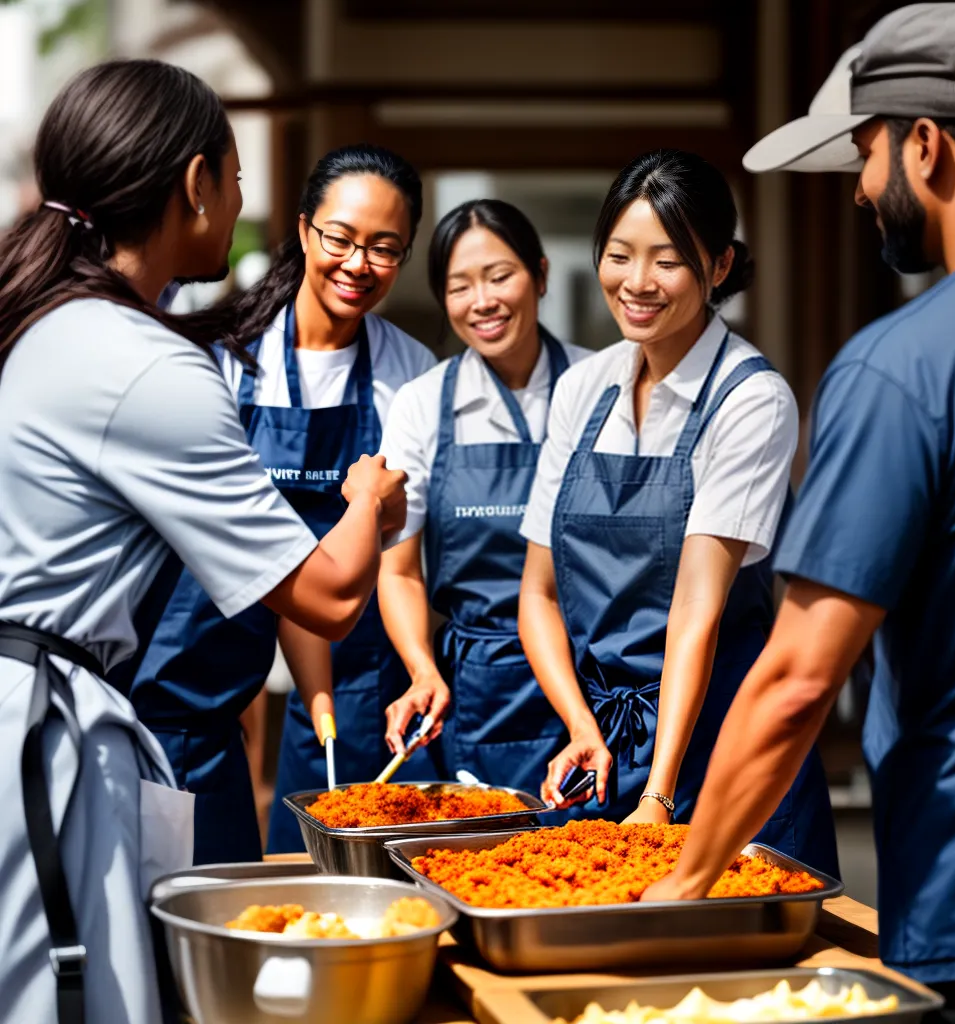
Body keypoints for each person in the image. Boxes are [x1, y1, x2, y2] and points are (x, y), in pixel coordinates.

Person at [0, 60, 407, 1024]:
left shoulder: (45, 321)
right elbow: (329, 593)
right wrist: (368, 496)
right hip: (52, 729)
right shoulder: (145, 362)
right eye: (232, 178)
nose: (237, 202)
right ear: (194, 184)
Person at [641, 4, 955, 1017]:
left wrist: (681, 885)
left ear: (926, 146)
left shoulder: (906, 367)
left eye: (864, 153)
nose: (859, 187)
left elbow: (799, 678)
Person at [517, 150, 838, 874]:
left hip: (724, 740)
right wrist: (579, 724)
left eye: (667, 261)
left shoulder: (751, 399)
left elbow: (695, 612)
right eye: (619, 255)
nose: (636, 283)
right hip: (601, 746)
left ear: (719, 266)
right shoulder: (583, 389)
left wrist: (658, 796)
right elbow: (536, 593)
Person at [130, 144, 443, 861]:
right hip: (184, 670)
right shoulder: (217, 355)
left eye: (385, 248)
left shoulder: (409, 375)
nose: (358, 264)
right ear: (304, 231)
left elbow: (394, 557)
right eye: (340, 239)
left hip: (350, 654)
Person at [377, 200, 590, 792]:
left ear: (540, 275)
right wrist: (422, 667)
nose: (483, 301)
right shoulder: (422, 405)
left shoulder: (601, 385)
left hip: (593, 674)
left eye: (500, 276)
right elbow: (398, 571)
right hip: (482, 683)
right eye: (460, 286)